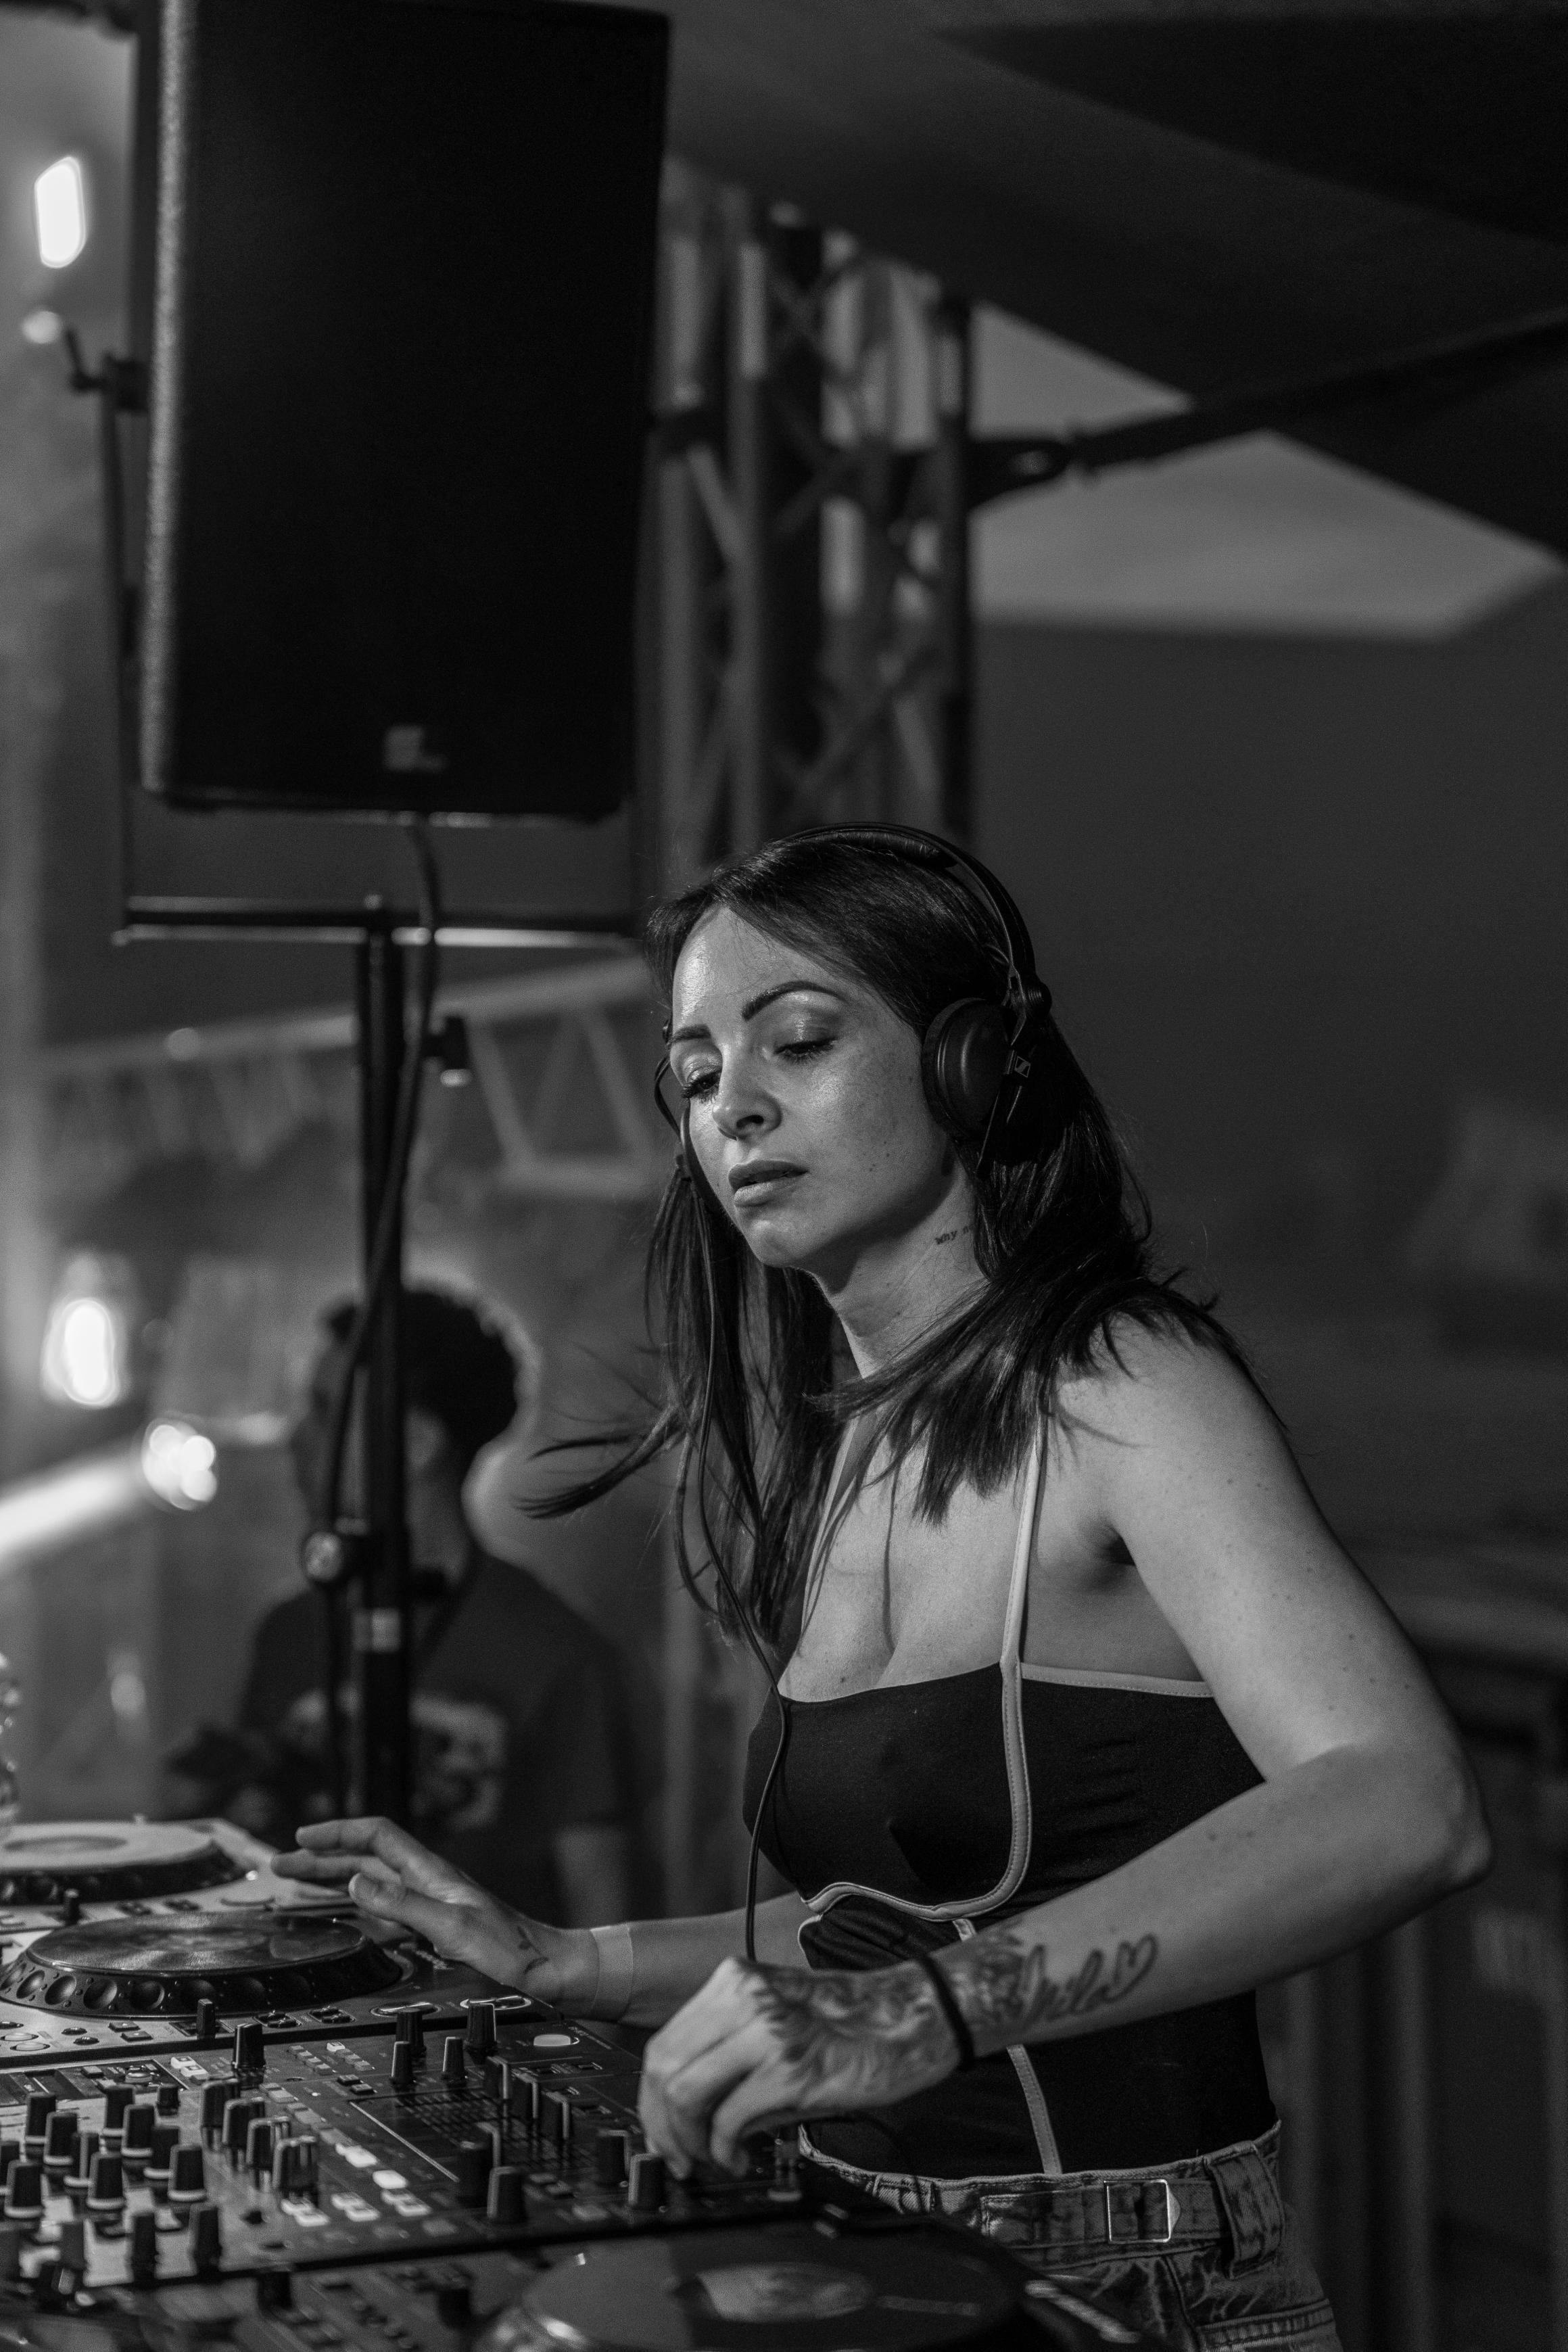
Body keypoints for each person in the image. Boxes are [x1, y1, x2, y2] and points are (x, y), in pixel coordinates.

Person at [275, 830, 1488, 2349]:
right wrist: (576, 1961)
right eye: (696, 1071)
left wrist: (928, 2008)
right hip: (864, 2248)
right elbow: (886, 1925)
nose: (734, 1104)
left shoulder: (1119, 1381)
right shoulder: (843, 1446)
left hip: (1123, 2274)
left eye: (797, 1039)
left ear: (972, 1067)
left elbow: (1403, 1799)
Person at [185, 1286, 634, 1926]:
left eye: (327, 1411)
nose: (297, 1437)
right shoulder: (289, 1632)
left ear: (419, 1440)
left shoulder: (556, 1651)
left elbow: (602, 1913)